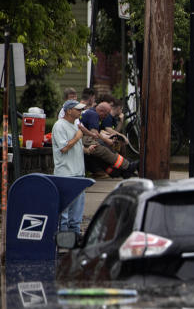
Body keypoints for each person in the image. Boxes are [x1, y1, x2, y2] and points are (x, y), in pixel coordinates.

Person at [50, 100, 88, 233]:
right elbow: (64, 148)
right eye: (78, 109)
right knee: (65, 209)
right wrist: (78, 137)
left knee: (77, 210)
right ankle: (63, 235)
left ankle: (75, 234)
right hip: (66, 173)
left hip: (78, 172)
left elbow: (75, 147)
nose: (80, 112)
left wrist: (88, 150)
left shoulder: (75, 125)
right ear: (69, 111)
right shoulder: (59, 126)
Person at [78, 101, 139, 178]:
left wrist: (107, 138)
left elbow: (95, 132)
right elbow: (94, 133)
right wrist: (107, 140)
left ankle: (116, 171)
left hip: (83, 136)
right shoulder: (94, 115)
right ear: (100, 111)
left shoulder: (92, 112)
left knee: (104, 146)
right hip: (81, 137)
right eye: (106, 114)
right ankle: (127, 166)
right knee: (103, 150)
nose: (106, 117)